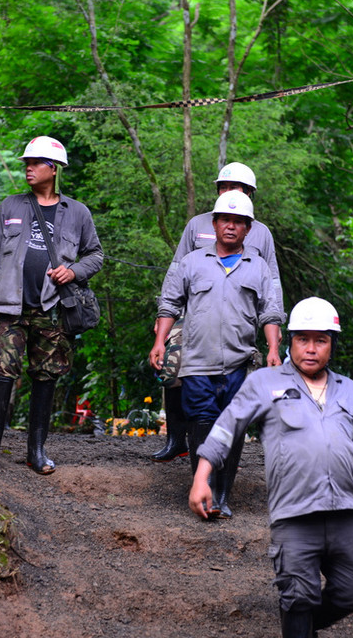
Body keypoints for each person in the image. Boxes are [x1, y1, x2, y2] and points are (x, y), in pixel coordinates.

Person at [188, 297, 353, 638]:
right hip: (295, 515)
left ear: (332, 345)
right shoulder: (264, 383)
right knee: (298, 596)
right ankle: (299, 624)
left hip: (344, 512)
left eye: (321, 340)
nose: (311, 348)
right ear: (290, 341)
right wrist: (202, 477)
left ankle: (303, 626)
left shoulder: (349, 391)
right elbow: (226, 428)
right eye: (303, 339)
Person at [150, 162, 283, 501]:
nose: (231, 225)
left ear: (248, 226)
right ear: (215, 221)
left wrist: (274, 345)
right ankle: (199, 481)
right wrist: (161, 337)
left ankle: (222, 494)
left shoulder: (260, 249)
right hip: (197, 349)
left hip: (239, 353)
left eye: (238, 221)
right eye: (225, 218)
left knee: (233, 421)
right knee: (199, 418)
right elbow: (173, 291)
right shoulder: (194, 250)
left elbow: (270, 299)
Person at [0, 135, 103, 475]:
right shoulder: (10, 206)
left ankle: (37, 451)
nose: (28, 168)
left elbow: (95, 255)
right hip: (9, 307)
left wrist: (72, 271)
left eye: (35, 163)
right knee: (0, 372)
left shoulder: (77, 213)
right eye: (26, 163)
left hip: (52, 308)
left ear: (53, 168)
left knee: (47, 376)